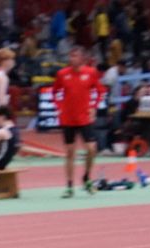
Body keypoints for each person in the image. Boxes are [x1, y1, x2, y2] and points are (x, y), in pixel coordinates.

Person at [51, 44, 102, 197]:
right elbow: (55, 92)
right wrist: (59, 107)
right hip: (68, 119)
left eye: (75, 56)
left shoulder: (91, 73)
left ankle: (86, 177)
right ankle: (69, 185)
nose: (72, 59)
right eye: (71, 56)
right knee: (70, 152)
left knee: (92, 149)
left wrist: (94, 107)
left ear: (82, 58)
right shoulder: (62, 74)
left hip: (85, 118)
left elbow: (100, 91)